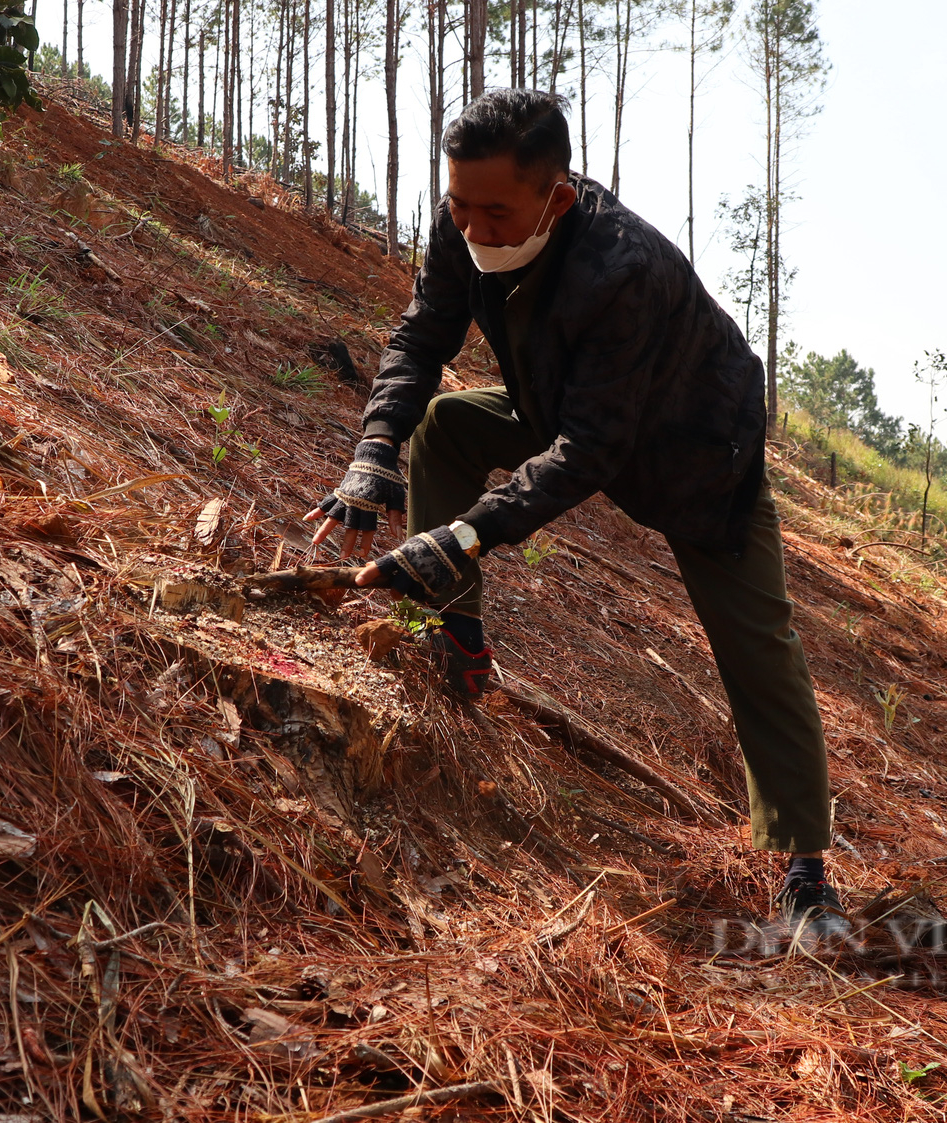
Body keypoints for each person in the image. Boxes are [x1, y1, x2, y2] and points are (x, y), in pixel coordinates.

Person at [303, 90, 838, 925]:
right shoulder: (465, 224)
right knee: (444, 425)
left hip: (699, 451)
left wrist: (469, 532)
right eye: (456, 204)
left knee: (757, 644)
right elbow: (419, 338)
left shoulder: (622, 271)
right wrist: (373, 452)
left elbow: (594, 451)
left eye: (493, 211)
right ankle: (456, 635)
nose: (471, 227)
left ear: (555, 198)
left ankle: (805, 865)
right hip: (564, 407)